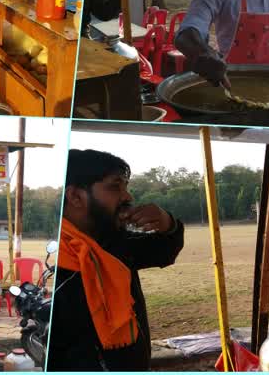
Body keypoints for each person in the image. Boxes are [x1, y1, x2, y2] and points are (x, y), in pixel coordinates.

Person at [47, 150, 185, 371]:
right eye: (115, 187)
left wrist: (168, 223)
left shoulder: (114, 242)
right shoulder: (57, 265)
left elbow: (164, 251)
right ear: (75, 197)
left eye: (126, 186)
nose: (128, 197)